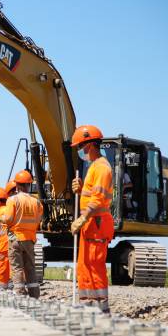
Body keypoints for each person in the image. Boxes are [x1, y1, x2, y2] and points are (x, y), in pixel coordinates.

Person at [70, 125, 114, 313]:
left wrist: (82, 218)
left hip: (96, 222)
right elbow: (91, 194)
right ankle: (87, 304)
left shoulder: (102, 168)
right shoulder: (93, 167)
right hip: (90, 223)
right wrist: (80, 189)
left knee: (95, 264)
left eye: (80, 147)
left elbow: (98, 199)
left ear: (89, 145)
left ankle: (101, 307)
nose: (80, 151)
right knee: (84, 264)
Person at [0, 170, 43, 298]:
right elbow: (39, 219)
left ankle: (20, 294)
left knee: (17, 268)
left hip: (16, 238)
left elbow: (8, 219)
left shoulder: (13, 200)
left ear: (17, 185)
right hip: (30, 239)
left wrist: (0, 218)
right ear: (29, 185)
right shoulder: (36, 202)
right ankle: (34, 295)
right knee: (30, 268)